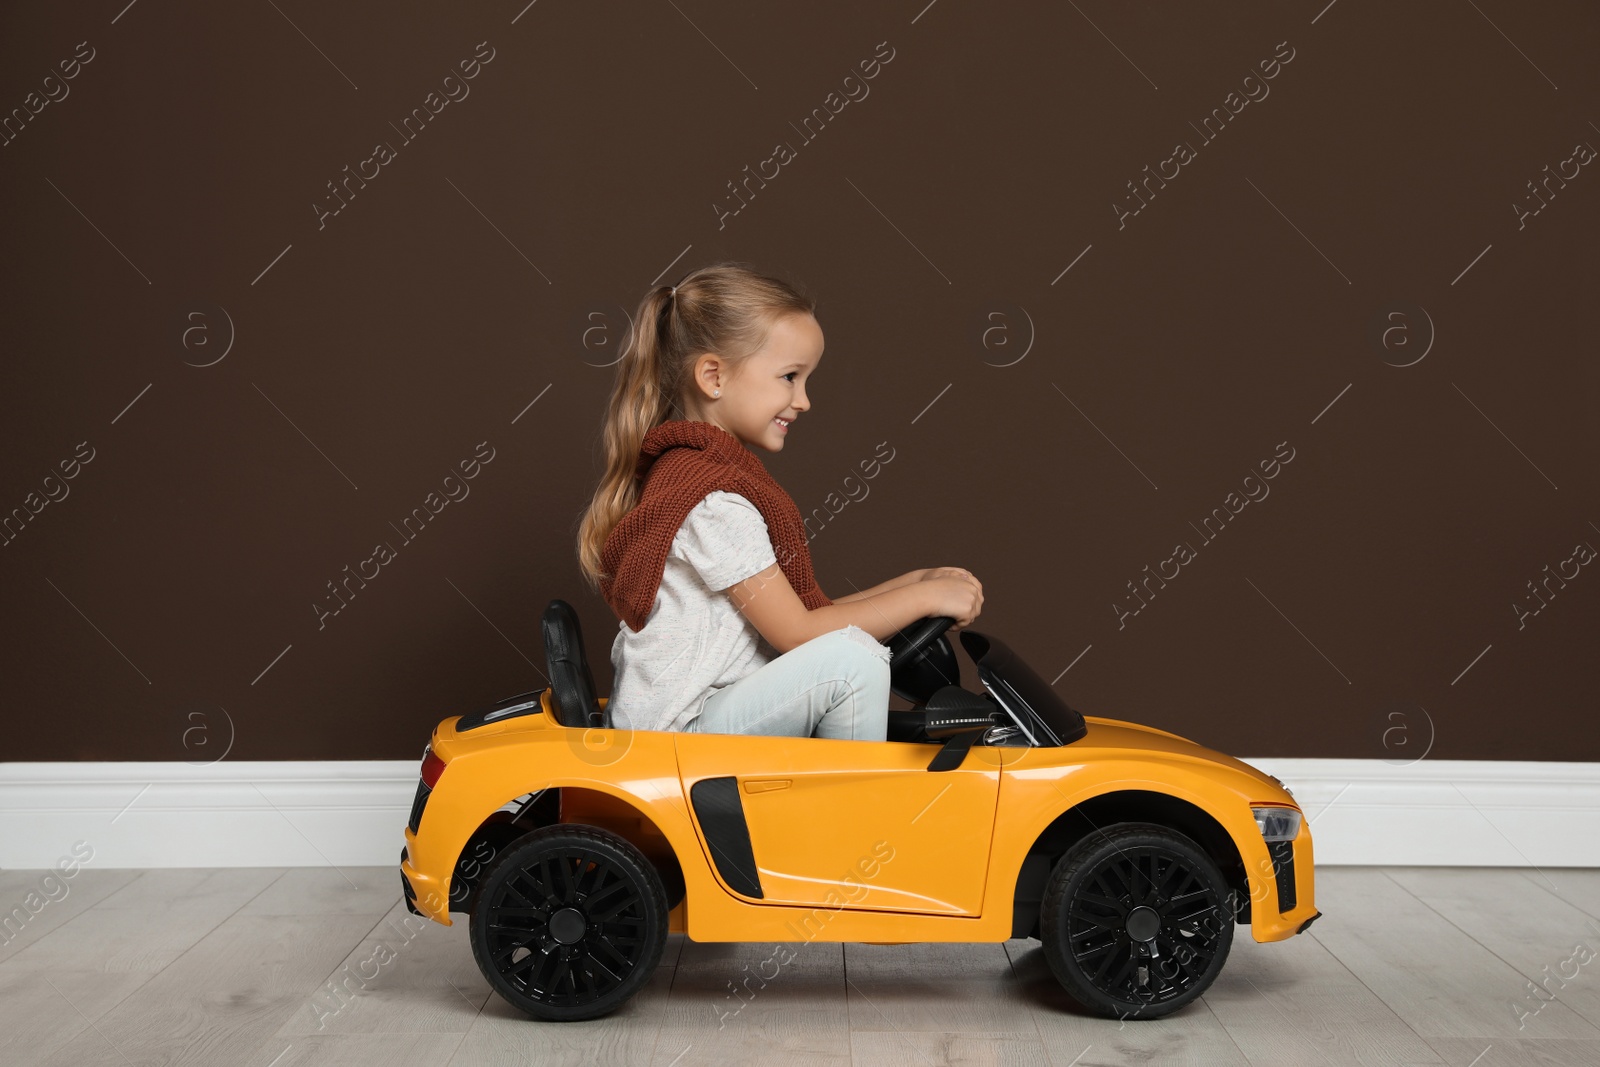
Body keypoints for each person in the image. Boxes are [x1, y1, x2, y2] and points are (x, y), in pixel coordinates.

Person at [575, 262, 983, 741]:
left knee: (846, 649)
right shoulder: (712, 500)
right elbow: (798, 634)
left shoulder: (699, 477)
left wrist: (915, 584)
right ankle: (852, 814)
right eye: (789, 377)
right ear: (713, 377)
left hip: (706, 718)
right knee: (852, 662)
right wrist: (923, 597)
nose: (804, 400)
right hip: (681, 734)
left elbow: (806, 617)